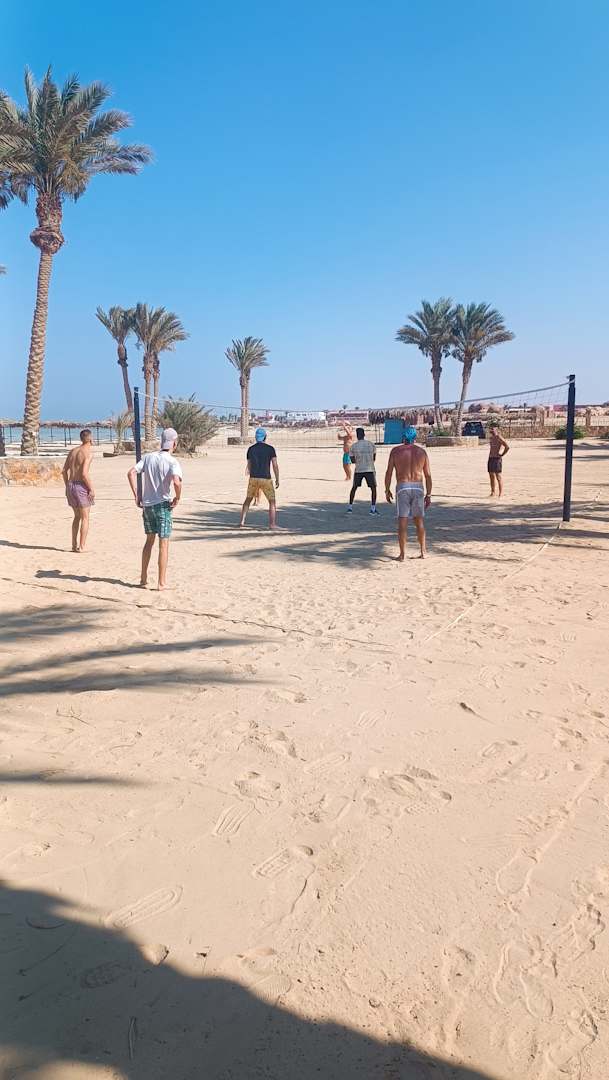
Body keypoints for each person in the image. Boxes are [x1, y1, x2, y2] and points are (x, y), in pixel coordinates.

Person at [127, 427, 183, 590]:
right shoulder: (172, 461)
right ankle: (161, 582)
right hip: (162, 505)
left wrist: (137, 494)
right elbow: (176, 482)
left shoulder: (148, 457)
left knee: (149, 541)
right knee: (163, 544)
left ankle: (143, 578)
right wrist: (178, 497)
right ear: (174, 443)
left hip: (148, 506)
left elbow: (131, 473)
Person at [384, 426, 432, 559]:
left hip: (403, 486)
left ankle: (402, 554)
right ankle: (423, 551)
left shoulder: (396, 451)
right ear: (415, 438)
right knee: (419, 521)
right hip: (418, 486)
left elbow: (389, 472)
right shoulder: (421, 452)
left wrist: (387, 489)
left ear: (403, 437)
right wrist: (428, 494)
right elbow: (428, 475)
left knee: (402, 521)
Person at [62, 428, 95, 552]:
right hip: (81, 486)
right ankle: (81, 547)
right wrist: (91, 489)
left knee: (77, 516)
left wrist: (67, 485)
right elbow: (84, 474)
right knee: (85, 517)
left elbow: (64, 471)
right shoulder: (88, 453)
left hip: (71, 485)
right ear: (90, 438)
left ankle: (73, 545)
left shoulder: (73, 451)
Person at [240, 428, 279, 529]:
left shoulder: (251, 449)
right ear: (265, 437)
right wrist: (277, 478)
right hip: (265, 478)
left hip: (253, 477)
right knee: (272, 501)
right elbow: (275, 465)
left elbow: (249, 464)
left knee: (248, 499)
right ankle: (272, 524)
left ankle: (242, 521)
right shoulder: (270, 449)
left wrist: (249, 471)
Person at [348, 427, 378, 514]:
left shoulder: (353, 446)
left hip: (359, 469)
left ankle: (350, 507)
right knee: (373, 488)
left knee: (354, 488)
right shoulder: (371, 444)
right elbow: (374, 458)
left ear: (357, 436)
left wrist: (359, 459)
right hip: (370, 469)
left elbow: (353, 461)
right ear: (364, 434)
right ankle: (373, 509)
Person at [487, 423, 509, 496]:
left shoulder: (499, 437)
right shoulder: (491, 438)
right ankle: (493, 492)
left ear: (496, 429)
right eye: (490, 428)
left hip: (497, 458)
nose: (491, 430)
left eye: (492, 428)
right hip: (491, 458)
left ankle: (500, 493)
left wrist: (502, 454)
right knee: (491, 476)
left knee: (498, 476)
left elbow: (507, 447)